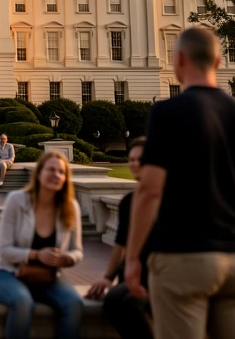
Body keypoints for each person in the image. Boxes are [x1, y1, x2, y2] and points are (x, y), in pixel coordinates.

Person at [125, 26, 235, 339]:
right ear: (219, 62)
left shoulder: (168, 112)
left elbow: (150, 190)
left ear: (180, 59)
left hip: (184, 257)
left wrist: (132, 258)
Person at [0, 151, 85, 339]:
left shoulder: (70, 207)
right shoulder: (16, 200)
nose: (55, 175)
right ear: (39, 173)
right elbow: (4, 250)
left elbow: (78, 250)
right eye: (50, 169)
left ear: (65, 178)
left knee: (74, 304)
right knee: (23, 302)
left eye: (61, 172)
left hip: (47, 278)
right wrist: (36, 255)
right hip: (8, 273)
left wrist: (68, 258)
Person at [86, 137, 153, 339]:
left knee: (131, 304)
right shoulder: (128, 202)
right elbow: (120, 243)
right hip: (135, 274)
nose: (134, 164)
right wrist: (107, 277)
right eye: (131, 159)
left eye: (139, 159)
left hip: (162, 275)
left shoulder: (168, 198)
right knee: (113, 300)